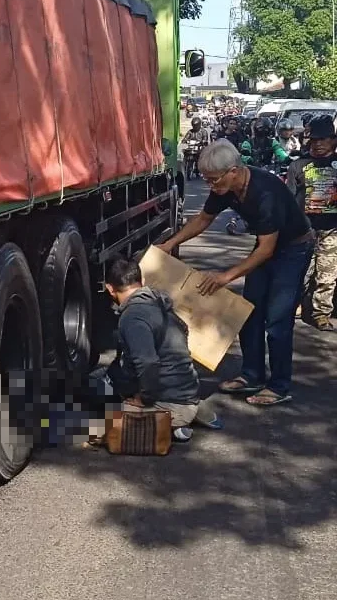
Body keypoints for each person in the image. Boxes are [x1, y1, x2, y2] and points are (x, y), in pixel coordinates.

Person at [158, 139, 314, 406]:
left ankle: (279, 385)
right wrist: (171, 242)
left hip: (293, 249)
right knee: (249, 313)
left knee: (277, 320)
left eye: (214, 180)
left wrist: (225, 276)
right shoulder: (224, 188)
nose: (211, 185)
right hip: (267, 245)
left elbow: (266, 251)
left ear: (234, 171)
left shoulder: (266, 192)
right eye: (207, 180)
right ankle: (251, 375)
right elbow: (203, 219)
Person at [105, 256, 223, 443]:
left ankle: (172, 424)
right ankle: (188, 413)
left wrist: (143, 399)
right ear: (141, 282)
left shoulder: (133, 317)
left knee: (101, 409)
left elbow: (148, 362)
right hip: (187, 391)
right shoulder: (159, 302)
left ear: (110, 288)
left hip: (172, 402)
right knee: (111, 375)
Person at [286, 115, 337, 331]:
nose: (317, 144)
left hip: (331, 229)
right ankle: (294, 305)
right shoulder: (298, 166)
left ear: (333, 140)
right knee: (300, 272)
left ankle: (321, 314)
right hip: (303, 231)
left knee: (327, 274)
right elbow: (288, 199)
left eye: (323, 139)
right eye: (314, 139)